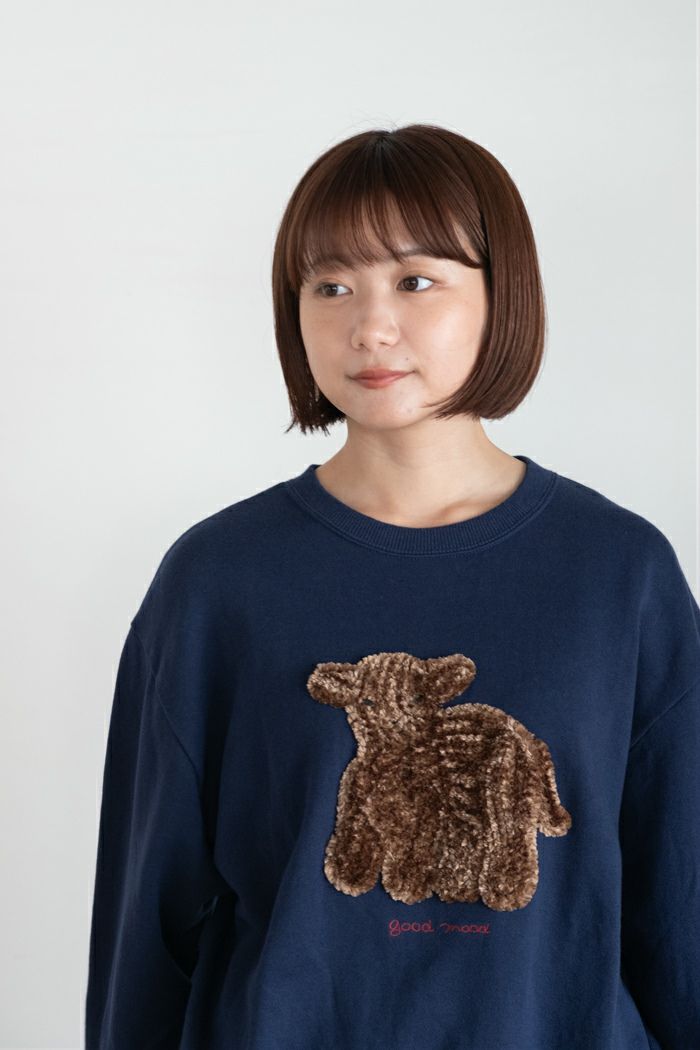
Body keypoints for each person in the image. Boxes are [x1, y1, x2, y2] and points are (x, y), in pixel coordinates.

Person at [85, 124, 700, 1049]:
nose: (369, 327)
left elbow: (680, 904)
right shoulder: (218, 581)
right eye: (330, 286)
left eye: (416, 280)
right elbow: (145, 928)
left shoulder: (619, 574)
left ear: (502, 293)